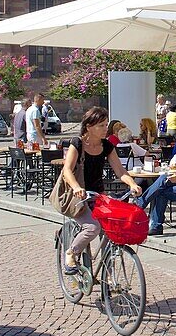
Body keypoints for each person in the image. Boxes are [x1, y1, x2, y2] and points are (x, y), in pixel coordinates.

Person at [61, 106, 142, 272]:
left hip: (98, 195)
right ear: (89, 127)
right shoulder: (77, 143)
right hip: (78, 197)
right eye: (101, 125)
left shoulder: (107, 146)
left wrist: (132, 184)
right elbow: (67, 170)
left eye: (106, 125)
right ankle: (72, 252)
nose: (106, 129)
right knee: (92, 227)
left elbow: (120, 171)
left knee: (112, 228)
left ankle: (108, 275)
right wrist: (76, 187)